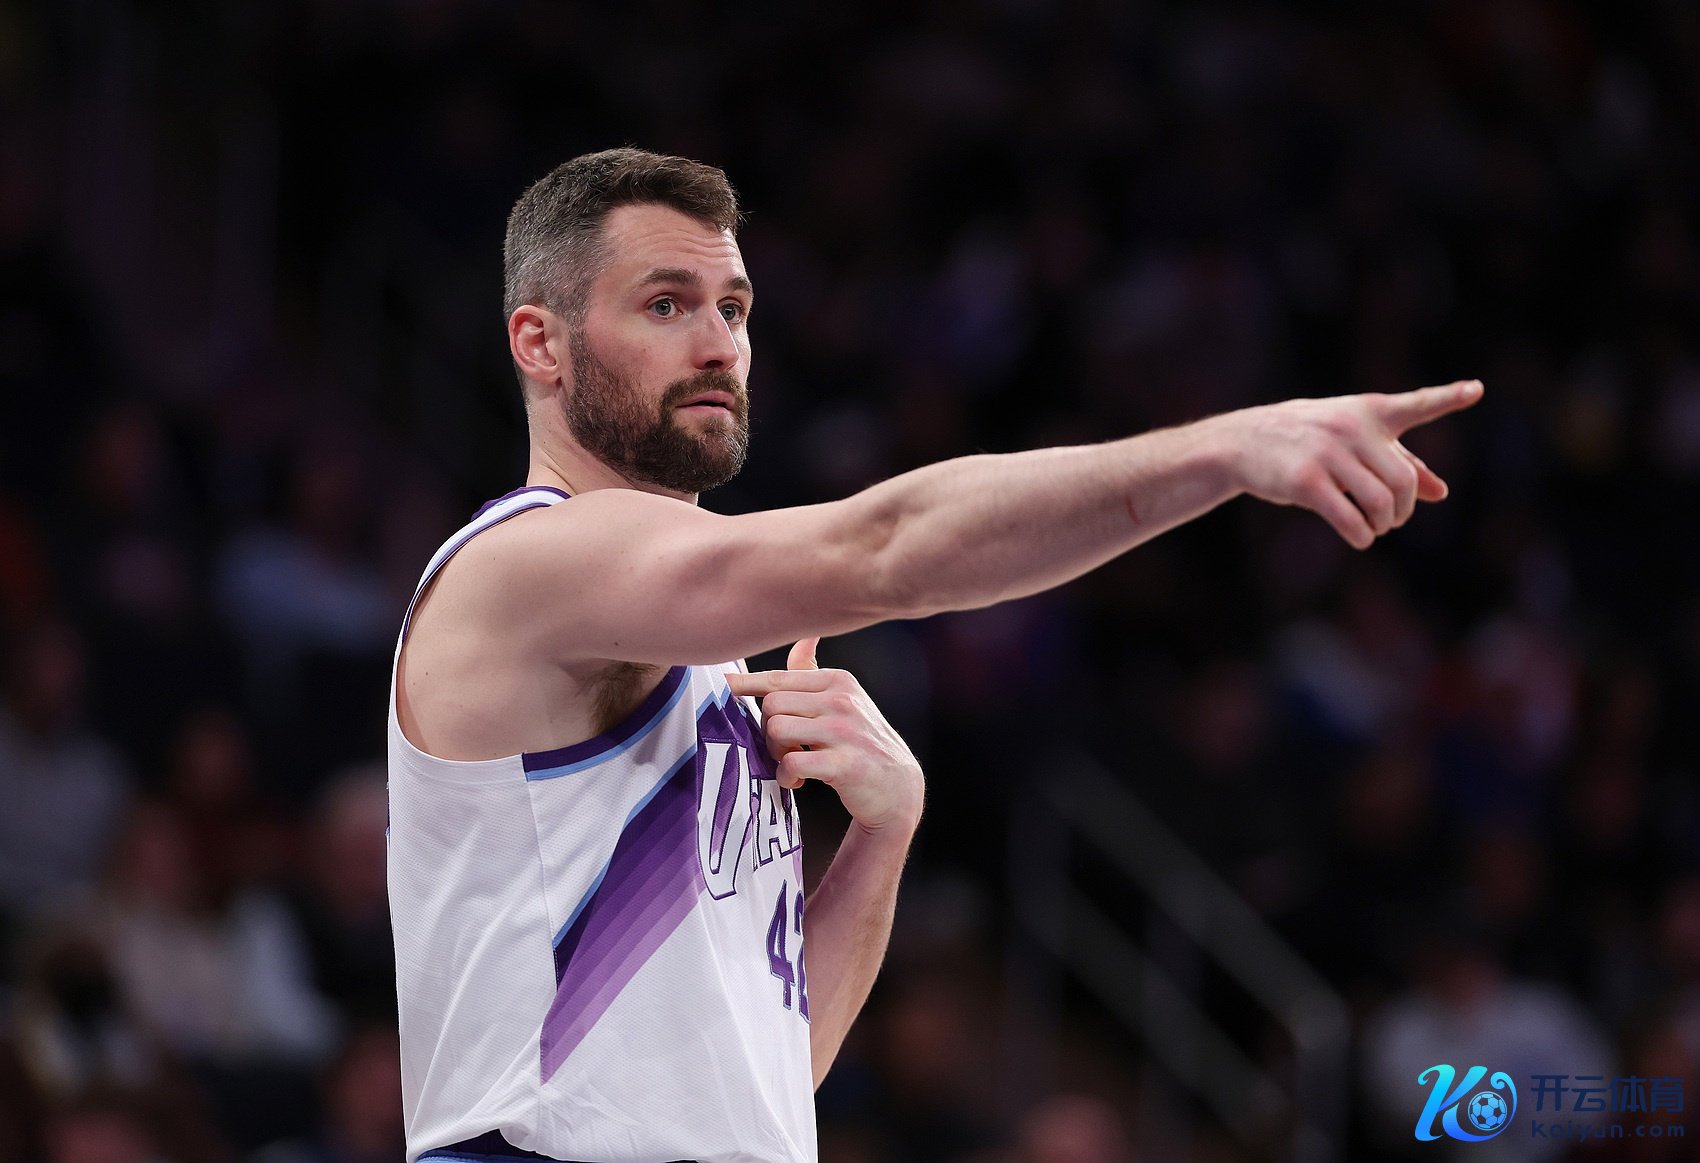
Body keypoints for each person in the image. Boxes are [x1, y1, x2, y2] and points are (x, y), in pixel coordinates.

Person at [387, 147, 1482, 1163]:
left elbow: (771, 1072)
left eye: (734, 307)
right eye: (665, 304)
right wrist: (1224, 449)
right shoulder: (525, 564)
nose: (719, 343)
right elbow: (885, 547)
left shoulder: (702, 657)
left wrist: (882, 834)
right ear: (540, 343)